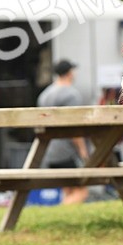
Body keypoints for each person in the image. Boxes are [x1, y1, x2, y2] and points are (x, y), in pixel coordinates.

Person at [37, 59, 89, 205]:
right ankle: (61, 211)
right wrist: (83, 152)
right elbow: (74, 128)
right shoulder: (72, 95)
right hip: (66, 152)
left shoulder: (44, 95)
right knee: (82, 191)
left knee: (68, 190)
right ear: (70, 72)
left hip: (48, 151)